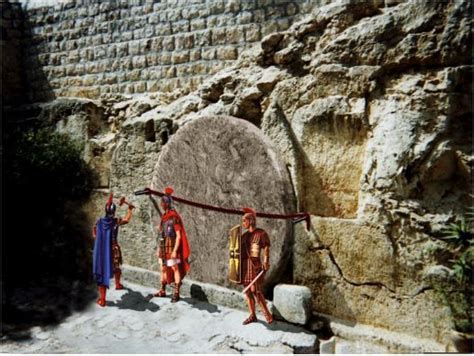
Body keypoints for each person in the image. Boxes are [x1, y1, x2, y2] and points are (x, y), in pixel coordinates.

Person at [92, 193, 134, 307]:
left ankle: (103, 299)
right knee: (116, 266)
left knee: (103, 270)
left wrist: (99, 240)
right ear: (114, 212)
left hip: (102, 250)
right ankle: (118, 284)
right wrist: (130, 210)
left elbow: (94, 233)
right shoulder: (116, 221)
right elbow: (126, 219)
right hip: (113, 248)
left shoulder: (99, 221)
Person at [154, 187, 190, 302]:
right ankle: (162, 290)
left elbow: (179, 235)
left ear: (167, 203)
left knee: (175, 268)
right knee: (163, 268)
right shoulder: (164, 218)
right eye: (161, 202)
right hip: (163, 246)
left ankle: (176, 293)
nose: (161, 204)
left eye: (163, 202)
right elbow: (161, 233)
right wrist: (158, 248)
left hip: (172, 245)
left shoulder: (174, 217)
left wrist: (175, 250)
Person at [240, 208, 273, 325]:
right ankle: (252, 315)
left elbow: (266, 248)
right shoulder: (244, 236)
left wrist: (266, 261)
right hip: (245, 266)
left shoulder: (261, 233)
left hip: (255, 266)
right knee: (248, 291)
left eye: (244, 220)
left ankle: (267, 314)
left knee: (256, 291)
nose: (243, 223)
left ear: (251, 220)